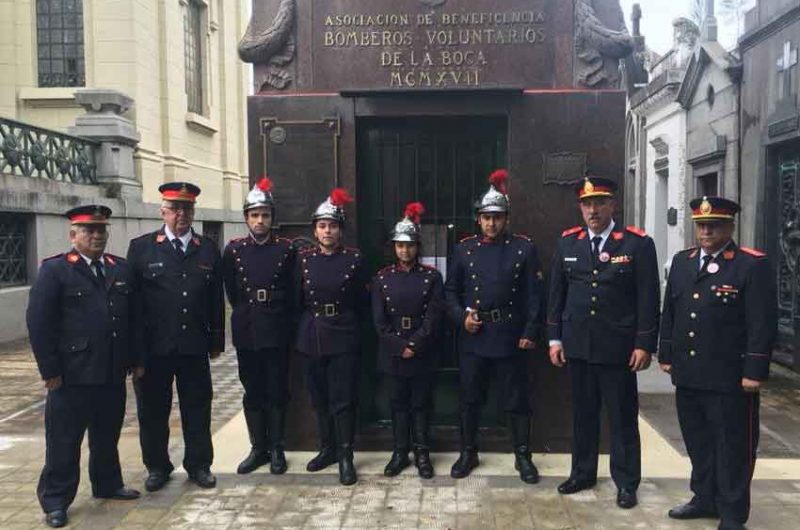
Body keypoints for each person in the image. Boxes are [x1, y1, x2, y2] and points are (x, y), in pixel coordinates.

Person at [659, 197, 777, 530]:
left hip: (730, 377)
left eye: (715, 225)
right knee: (698, 441)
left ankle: (733, 513)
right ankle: (704, 497)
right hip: (690, 373)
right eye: (701, 225)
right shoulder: (683, 262)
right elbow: (671, 311)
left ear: (730, 227)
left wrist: (754, 370)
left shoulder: (750, 265)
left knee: (732, 447)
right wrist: (666, 354)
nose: (707, 230)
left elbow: (761, 322)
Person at [547, 176, 660, 509]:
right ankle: (582, 473)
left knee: (622, 417)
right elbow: (557, 295)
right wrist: (554, 338)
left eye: (600, 203)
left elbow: (648, 298)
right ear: (580, 208)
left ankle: (626, 483)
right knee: (583, 414)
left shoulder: (637, 244)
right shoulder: (569, 243)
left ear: (613, 205)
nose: (593, 210)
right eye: (587, 204)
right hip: (578, 345)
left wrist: (644, 344)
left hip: (618, 348)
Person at [27, 205, 140, 528]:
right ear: (73, 234)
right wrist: (49, 370)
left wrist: (134, 360)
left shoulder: (119, 268)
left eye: (101, 230)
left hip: (111, 371)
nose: (96, 235)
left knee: (106, 436)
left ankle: (107, 484)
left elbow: (131, 320)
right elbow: (39, 323)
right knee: (64, 442)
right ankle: (56, 501)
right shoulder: (56, 270)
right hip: (71, 375)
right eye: (88, 230)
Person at [444, 169, 544, 484]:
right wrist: (461, 317)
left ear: (506, 219)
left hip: (509, 335)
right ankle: (468, 452)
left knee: (516, 399)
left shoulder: (523, 249)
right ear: (478, 219)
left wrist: (530, 331)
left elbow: (534, 295)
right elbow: (450, 292)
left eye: (497, 217)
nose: (491, 223)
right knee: (470, 398)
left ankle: (522, 455)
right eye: (486, 218)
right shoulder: (464, 249)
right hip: (474, 336)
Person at [127, 182, 224, 491]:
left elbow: (214, 300)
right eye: (175, 209)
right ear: (163, 212)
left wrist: (216, 341)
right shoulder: (141, 247)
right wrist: (135, 352)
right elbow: (132, 305)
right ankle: (157, 466)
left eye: (187, 209)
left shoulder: (207, 248)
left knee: (198, 407)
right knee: (153, 410)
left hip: (193, 345)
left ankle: (199, 465)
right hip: (154, 349)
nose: (182, 214)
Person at [295, 188, 369, 486]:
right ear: (315, 230)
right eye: (322, 226)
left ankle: (346, 455)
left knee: (343, 399)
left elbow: (364, 304)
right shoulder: (302, 259)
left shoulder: (355, 259)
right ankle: (327, 448)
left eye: (333, 226)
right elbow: (296, 300)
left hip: (343, 335)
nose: (327, 231)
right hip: (312, 334)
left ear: (341, 230)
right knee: (319, 398)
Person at [223, 177, 295, 475]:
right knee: (252, 390)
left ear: (272, 218)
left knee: (276, 390)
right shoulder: (234, 250)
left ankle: (277, 447)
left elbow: (293, 292)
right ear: (246, 218)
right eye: (254, 215)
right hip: (248, 329)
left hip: (276, 329)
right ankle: (258, 448)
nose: (260, 220)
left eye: (265, 215)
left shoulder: (287, 250)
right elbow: (231, 290)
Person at [372, 202, 444, 479]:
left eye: (410, 245)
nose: (405, 250)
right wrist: (400, 346)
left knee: (421, 403)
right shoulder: (382, 278)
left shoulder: (432, 277)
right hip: (392, 352)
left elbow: (434, 317)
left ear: (418, 246)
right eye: (400, 245)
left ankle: (423, 453)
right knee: (398, 404)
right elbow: (379, 322)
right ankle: (400, 452)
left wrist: (414, 345)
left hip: (422, 350)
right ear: (394, 247)